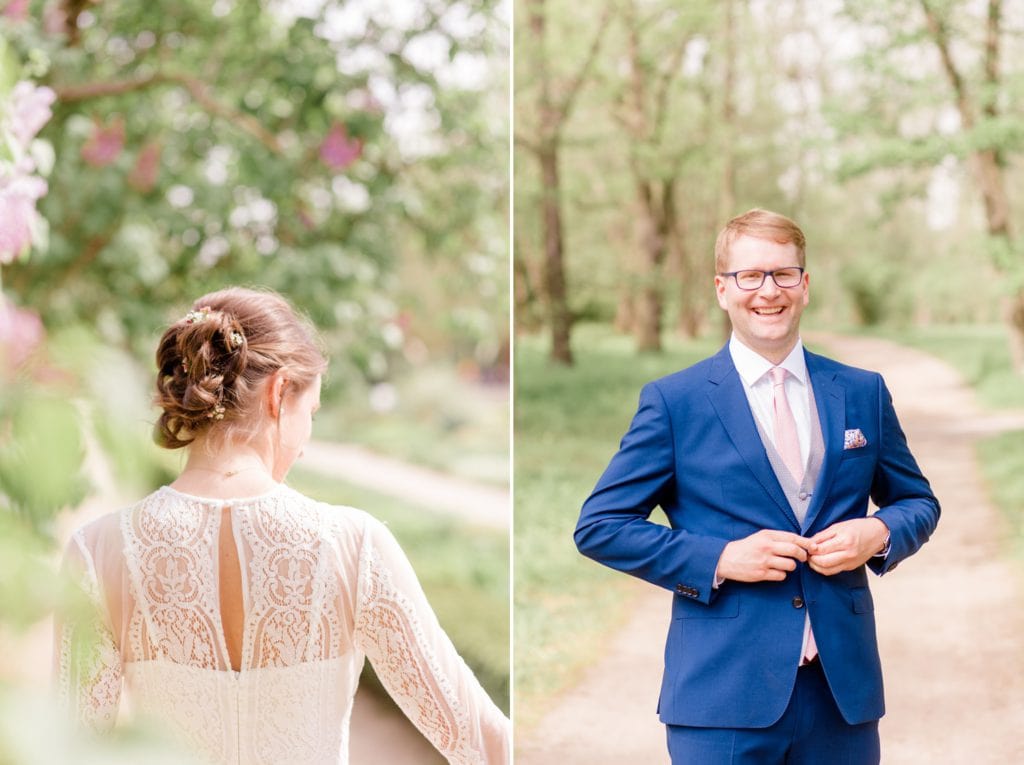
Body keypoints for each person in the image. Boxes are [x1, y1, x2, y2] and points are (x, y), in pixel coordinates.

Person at [55, 287, 510, 765]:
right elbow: (480, 737)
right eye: (309, 412)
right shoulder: (354, 546)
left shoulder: (97, 551)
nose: (306, 443)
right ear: (278, 393)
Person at [574, 209, 940, 764]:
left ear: (805, 285)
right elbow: (600, 527)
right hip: (721, 698)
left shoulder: (862, 390)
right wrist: (719, 557)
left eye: (783, 274)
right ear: (722, 290)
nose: (768, 291)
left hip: (842, 697)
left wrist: (878, 532)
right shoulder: (677, 402)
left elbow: (918, 500)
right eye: (750, 276)